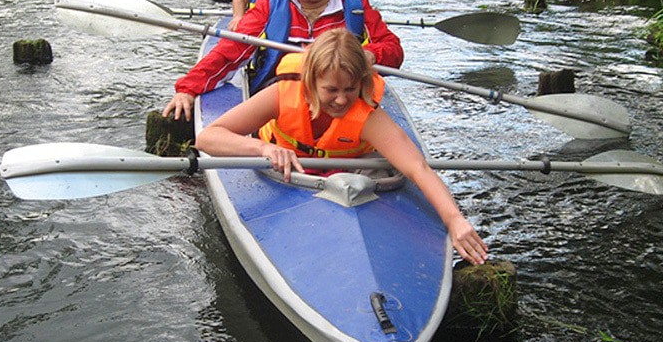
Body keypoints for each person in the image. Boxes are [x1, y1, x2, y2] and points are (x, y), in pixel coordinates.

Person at [195, 29, 488, 266]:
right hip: (284, 176)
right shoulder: (282, 95)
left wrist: (455, 220)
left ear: (360, 84)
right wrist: (263, 150)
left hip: (346, 180)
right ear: (312, 82)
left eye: (349, 89)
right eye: (331, 90)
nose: (340, 100)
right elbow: (208, 138)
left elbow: (417, 168)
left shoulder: (367, 115)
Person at [163, 0, 404, 123]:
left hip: (343, 98)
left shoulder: (354, 4)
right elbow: (230, 51)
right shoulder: (271, 4)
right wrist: (187, 89)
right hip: (285, 96)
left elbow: (394, 51)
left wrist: (369, 55)